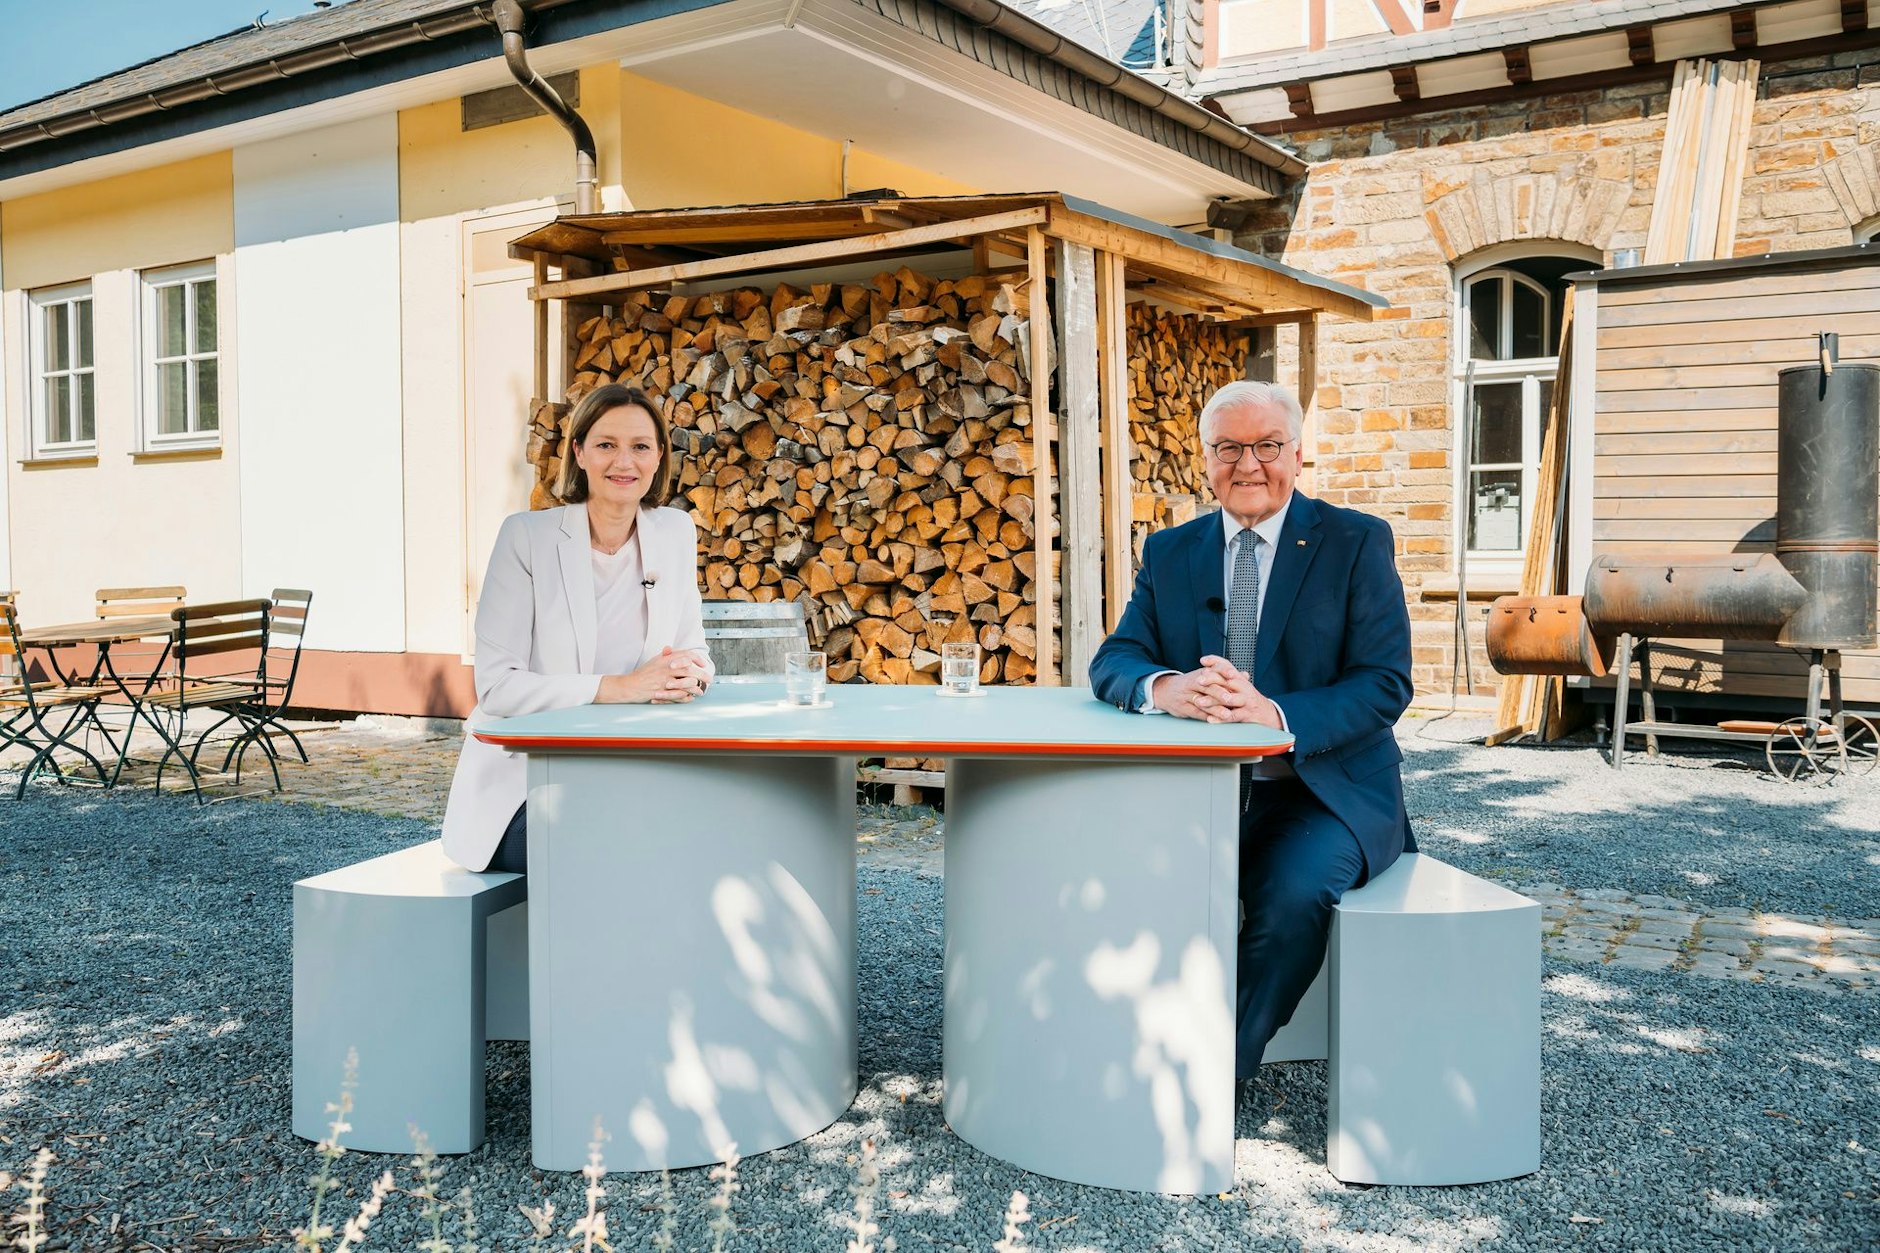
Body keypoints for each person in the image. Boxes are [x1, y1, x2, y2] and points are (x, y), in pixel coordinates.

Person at [1088, 379, 1414, 1083]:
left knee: (1290, 899)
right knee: (1116, 878)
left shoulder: (1356, 542)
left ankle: (1208, 1080)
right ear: (1206, 458)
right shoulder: (1172, 551)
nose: (1248, 464)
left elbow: (1385, 682)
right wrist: (1167, 688)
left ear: (1297, 454)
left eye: (1266, 445)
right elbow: (1113, 661)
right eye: (1229, 448)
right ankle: (1112, 1049)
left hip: (1320, 791)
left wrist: (1275, 714)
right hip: (1197, 791)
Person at [442, 383, 714, 873]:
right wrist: (621, 688)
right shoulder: (526, 538)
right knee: (636, 848)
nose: (623, 462)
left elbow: (693, 648)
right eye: (606, 444)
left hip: (631, 774)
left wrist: (691, 674)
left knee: (710, 828)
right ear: (579, 452)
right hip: (527, 792)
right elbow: (498, 689)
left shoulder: (674, 531)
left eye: (640, 446)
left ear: (658, 459)